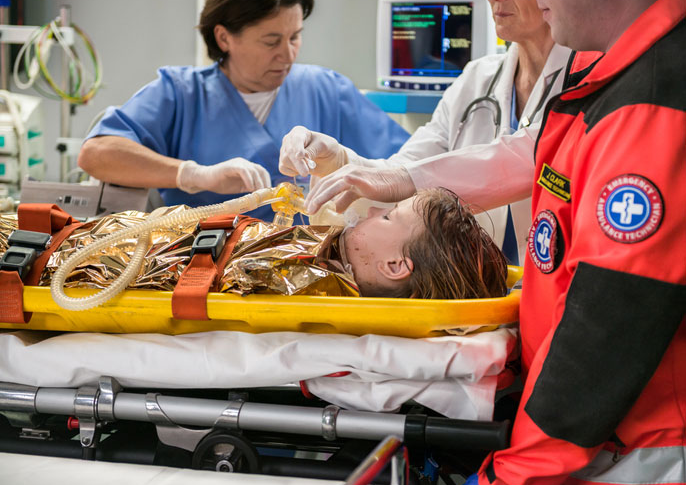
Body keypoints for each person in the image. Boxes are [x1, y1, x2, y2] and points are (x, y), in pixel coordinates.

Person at [454, 0, 686, 485]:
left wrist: (509, 478)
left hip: (639, 461)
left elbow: (610, 323)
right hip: (593, 445)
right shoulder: (612, 78)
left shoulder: (652, 100)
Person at [279, 0, 572, 264]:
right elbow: (404, 172)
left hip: (556, 278)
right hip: (481, 291)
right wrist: (338, 160)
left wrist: (400, 179)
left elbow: (527, 156)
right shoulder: (477, 78)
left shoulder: (587, 76)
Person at [77, 0, 409, 221]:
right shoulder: (180, 94)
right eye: (271, 41)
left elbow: (410, 168)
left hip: (314, 267)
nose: (288, 54)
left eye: (295, 37)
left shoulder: (326, 90)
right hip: (207, 273)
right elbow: (96, 154)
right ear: (224, 37)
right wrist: (193, 175)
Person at [2, 188, 507, 301]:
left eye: (390, 215)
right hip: (74, 237)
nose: (374, 211)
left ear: (397, 264)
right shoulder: (329, 253)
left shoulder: (311, 282)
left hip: (46, 258)